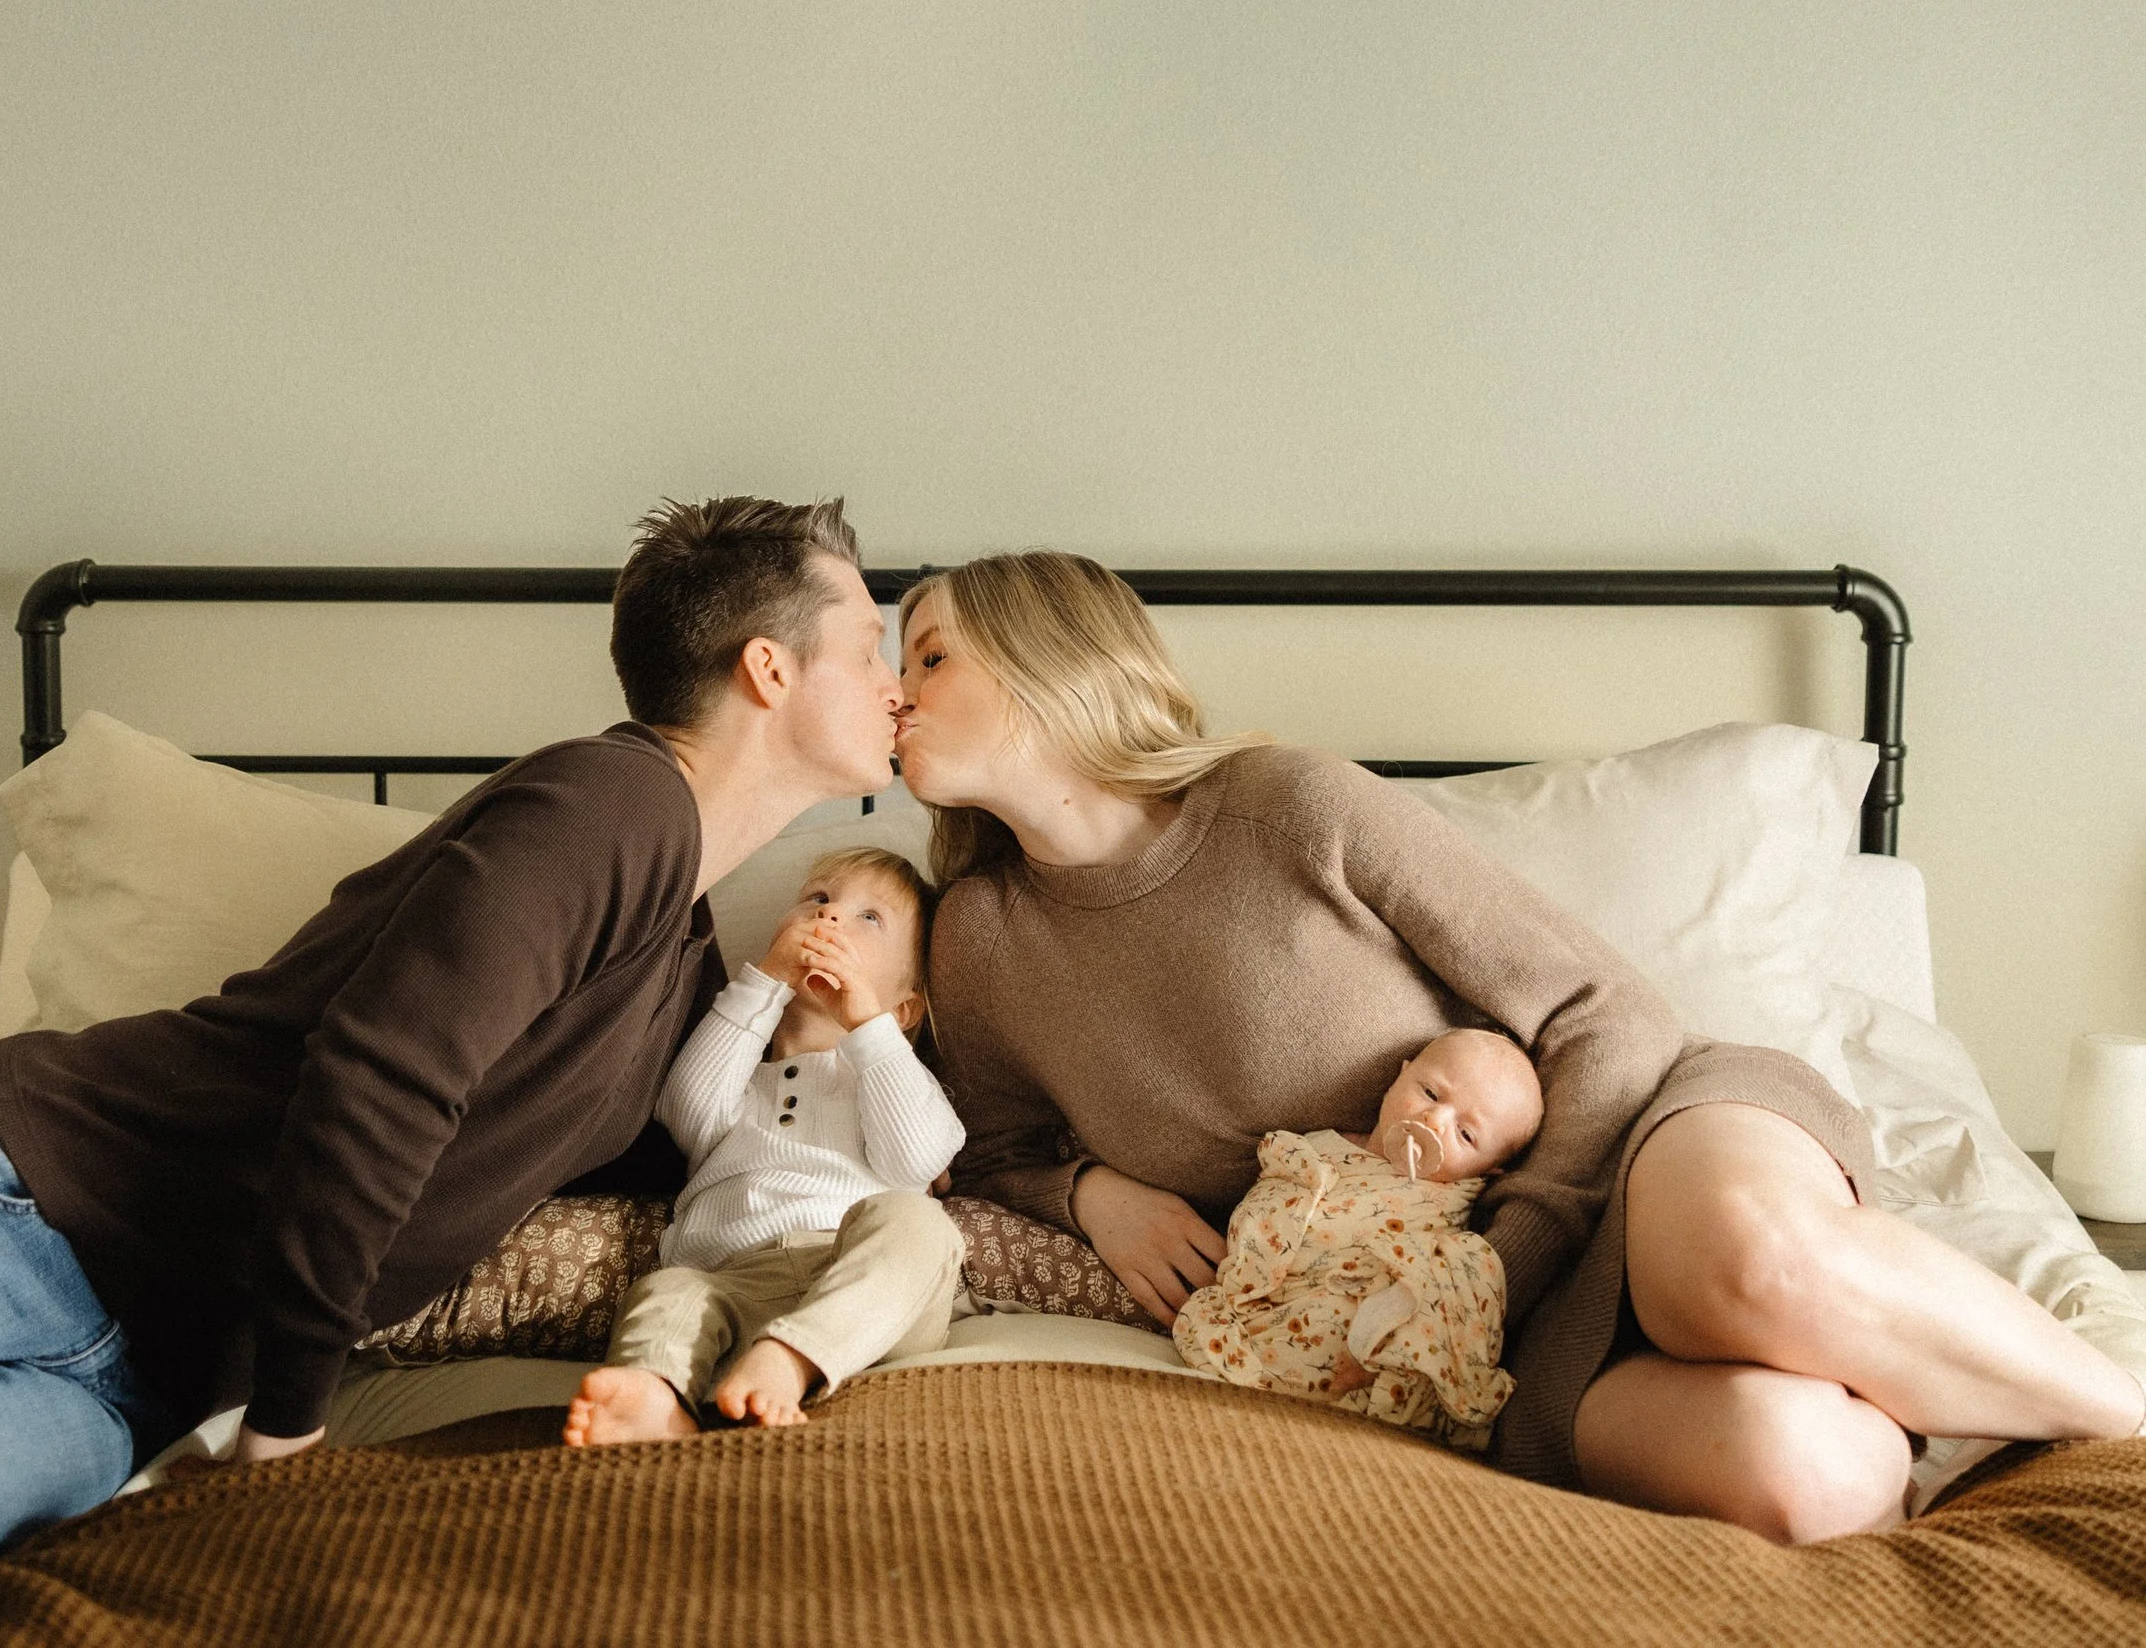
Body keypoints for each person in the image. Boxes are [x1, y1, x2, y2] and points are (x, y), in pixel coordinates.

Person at [0, 495, 905, 1580]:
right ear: (768, 668)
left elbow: (708, 1172)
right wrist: (289, 1427)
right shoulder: (608, 802)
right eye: (872, 645)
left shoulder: (672, 948)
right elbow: (378, 1078)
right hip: (1, 1206)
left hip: (126, 1379)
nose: (897, 683)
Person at [895, 549, 2146, 1544]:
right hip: (1464, 1343)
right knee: (1801, 1477)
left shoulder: (1287, 803)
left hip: (1636, 1145)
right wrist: (1089, 1193)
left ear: (1044, 657)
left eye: (932, 652)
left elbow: (1603, 1012)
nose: (897, 693)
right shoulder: (978, 942)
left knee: (1742, 1269)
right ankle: (1918, 1377)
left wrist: (1517, 1249)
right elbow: (990, 1148)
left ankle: (2126, 1422)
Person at [563, 846, 964, 1445]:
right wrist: (766, 983)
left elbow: (920, 1156)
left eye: (869, 918)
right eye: (818, 899)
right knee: (667, 1292)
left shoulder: (889, 1076)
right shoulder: (739, 1074)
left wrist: (867, 1028)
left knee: (919, 1223)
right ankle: (655, 1396)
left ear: (904, 1009)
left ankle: (792, 1357)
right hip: (732, 1282)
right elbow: (688, 1107)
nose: (829, 920)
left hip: (862, 1288)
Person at [1173, 1027, 1543, 1450]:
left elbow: (1454, 1287)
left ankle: (1375, 1348)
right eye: (1430, 1093)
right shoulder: (1319, 1148)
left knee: (1465, 1269)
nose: (1434, 1122)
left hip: (1358, 1342)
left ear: (1488, 1171)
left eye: (1466, 1135)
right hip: (1265, 1314)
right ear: (1398, 1077)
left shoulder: (1450, 1195)